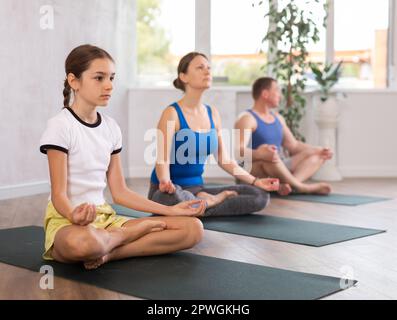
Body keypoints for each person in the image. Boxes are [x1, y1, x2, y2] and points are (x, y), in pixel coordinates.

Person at [39, 45, 205, 270]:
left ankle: (110, 252)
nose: (109, 85)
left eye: (111, 78)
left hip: (105, 219)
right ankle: (122, 236)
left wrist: (172, 210)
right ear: (74, 81)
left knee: (193, 229)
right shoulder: (60, 126)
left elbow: (120, 192)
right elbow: (58, 195)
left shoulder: (111, 128)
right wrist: (73, 215)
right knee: (84, 244)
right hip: (67, 220)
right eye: (99, 78)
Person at [148, 52, 287, 217]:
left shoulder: (212, 113)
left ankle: (201, 205)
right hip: (168, 191)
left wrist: (256, 181)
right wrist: (165, 181)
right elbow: (162, 158)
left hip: (198, 189)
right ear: (183, 76)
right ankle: (209, 202)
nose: (207, 71)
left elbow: (224, 159)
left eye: (209, 68)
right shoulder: (172, 113)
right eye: (200, 67)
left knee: (259, 196)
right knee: (176, 198)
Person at [234, 77, 332, 195]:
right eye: (277, 90)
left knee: (318, 156)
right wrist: (260, 153)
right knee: (270, 158)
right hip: (256, 168)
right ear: (265, 94)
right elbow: (238, 152)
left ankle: (289, 185)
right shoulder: (247, 118)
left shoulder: (278, 118)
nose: (280, 96)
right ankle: (301, 187)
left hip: (279, 164)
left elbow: (294, 146)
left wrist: (319, 150)